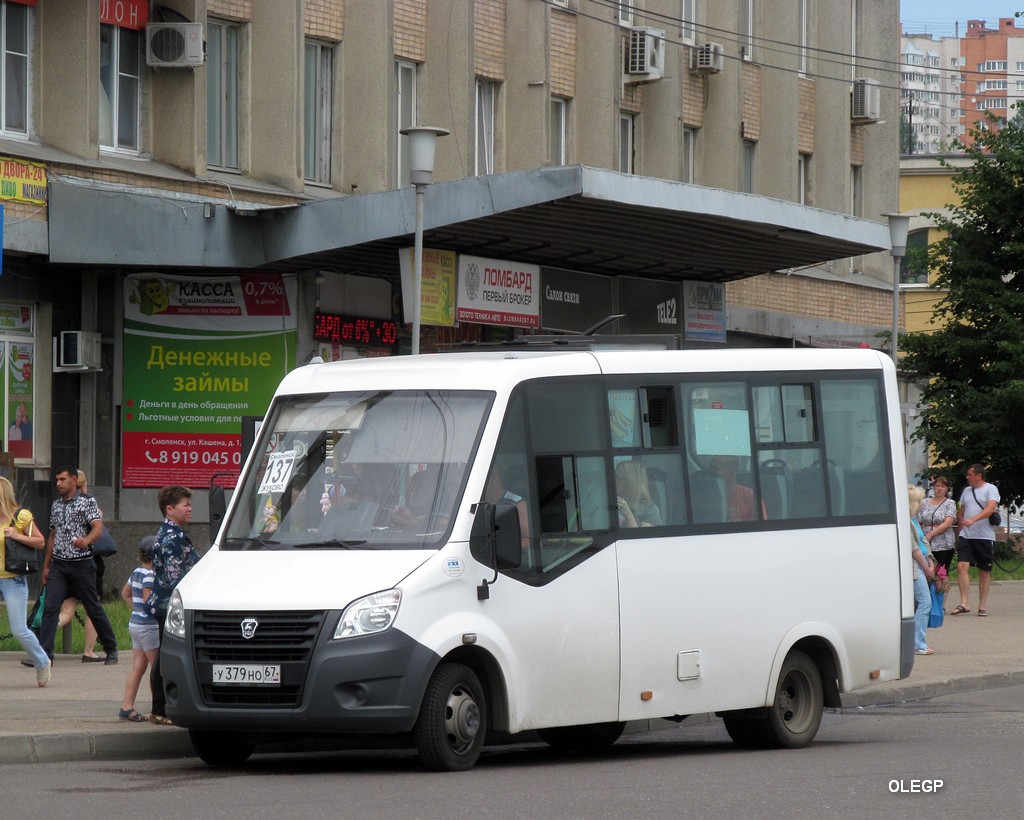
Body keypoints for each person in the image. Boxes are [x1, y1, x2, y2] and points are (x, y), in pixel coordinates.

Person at [38, 467, 119, 665]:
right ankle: (44, 656)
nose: (58, 483)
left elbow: (97, 528)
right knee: (50, 608)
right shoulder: (56, 505)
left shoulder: (87, 501)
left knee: (92, 607)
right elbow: (52, 536)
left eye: (62, 479)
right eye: (57, 479)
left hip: (82, 564)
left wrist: (86, 540)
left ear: (74, 480)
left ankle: (111, 647)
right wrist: (46, 566)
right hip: (59, 565)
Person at [148, 485, 201, 726]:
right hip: (171, 605)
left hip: (166, 603)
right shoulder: (172, 537)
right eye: (185, 505)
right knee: (165, 658)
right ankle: (159, 709)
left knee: (162, 656)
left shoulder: (170, 533)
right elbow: (174, 577)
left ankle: (160, 708)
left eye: (190, 504)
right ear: (170, 509)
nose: (190, 509)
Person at [0, 476, 52, 686]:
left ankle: (42, 662)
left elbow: (40, 541)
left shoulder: (20, 516)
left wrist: (17, 535)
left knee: (19, 629)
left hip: (13, 579)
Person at [118, 536, 158, 723]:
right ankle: (160, 708)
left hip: (135, 624)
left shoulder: (137, 572)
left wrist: (136, 608)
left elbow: (125, 593)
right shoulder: (150, 575)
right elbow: (150, 602)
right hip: (149, 627)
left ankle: (127, 707)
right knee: (157, 669)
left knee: (138, 666)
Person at [952, 463, 999, 617]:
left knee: (984, 571)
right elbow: (962, 511)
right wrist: (959, 532)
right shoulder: (966, 491)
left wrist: (973, 519)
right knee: (961, 566)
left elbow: (991, 508)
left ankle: (982, 605)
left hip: (984, 536)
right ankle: (964, 602)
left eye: (970, 474)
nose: (967, 477)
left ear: (979, 475)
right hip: (967, 535)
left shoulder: (991, 489)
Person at [909, 485, 935, 655]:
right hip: (915, 568)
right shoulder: (907, 522)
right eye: (919, 501)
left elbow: (924, 542)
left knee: (920, 603)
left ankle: (916, 641)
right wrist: (926, 568)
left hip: (923, 564)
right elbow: (913, 548)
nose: (921, 504)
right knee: (925, 602)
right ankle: (918, 643)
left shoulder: (914, 520)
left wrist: (931, 559)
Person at [709, 455, 764, 522]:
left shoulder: (751, 496)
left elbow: (760, 528)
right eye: (710, 468)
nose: (710, 472)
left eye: (715, 468)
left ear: (732, 472)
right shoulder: (704, 495)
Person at [919, 476, 957, 573]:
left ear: (947, 489)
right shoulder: (924, 502)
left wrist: (931, 534)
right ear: (934, 487)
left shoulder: (950, 503)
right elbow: (919, 520)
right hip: (925, 542)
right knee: (927, 572)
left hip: (943, 543)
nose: (940, 488)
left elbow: (948, 522)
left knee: (941, 573)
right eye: (937, 486)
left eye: (943, 486)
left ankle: (942, 588)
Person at [615, 461, 662, 527]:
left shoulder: (650, 510)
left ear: (629, 481)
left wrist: (628, 515)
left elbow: (642, 536)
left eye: (617, 477)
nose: (613, 480)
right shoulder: (606, 500)